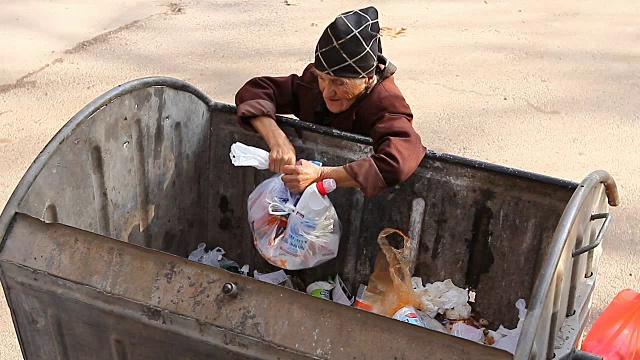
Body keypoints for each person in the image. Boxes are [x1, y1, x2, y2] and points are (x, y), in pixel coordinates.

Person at [235, 6, 426, 198]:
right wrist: (278, 140)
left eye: (339, 83)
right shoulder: (314, 84)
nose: (326, 92)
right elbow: (255, 91)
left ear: (368, 78)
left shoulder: (386, 104)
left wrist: (321, 175)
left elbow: (398, 162)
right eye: (322, 78)